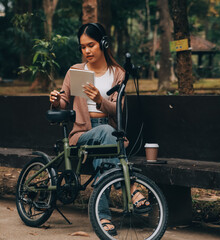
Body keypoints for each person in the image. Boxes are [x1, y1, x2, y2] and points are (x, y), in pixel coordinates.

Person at [49, 23, 150, 236]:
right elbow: (64, 102)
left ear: (103, 44)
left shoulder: (117, 73)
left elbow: (118, 110)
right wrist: (56, 99)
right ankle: (131, 188)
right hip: (82, 133)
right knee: (106, 134)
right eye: (82, 47)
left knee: (104, 157)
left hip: (109, 131)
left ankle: (102, 216)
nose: (87, 51)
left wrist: (99, 100)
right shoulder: (76, 71)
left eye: (91, 45)